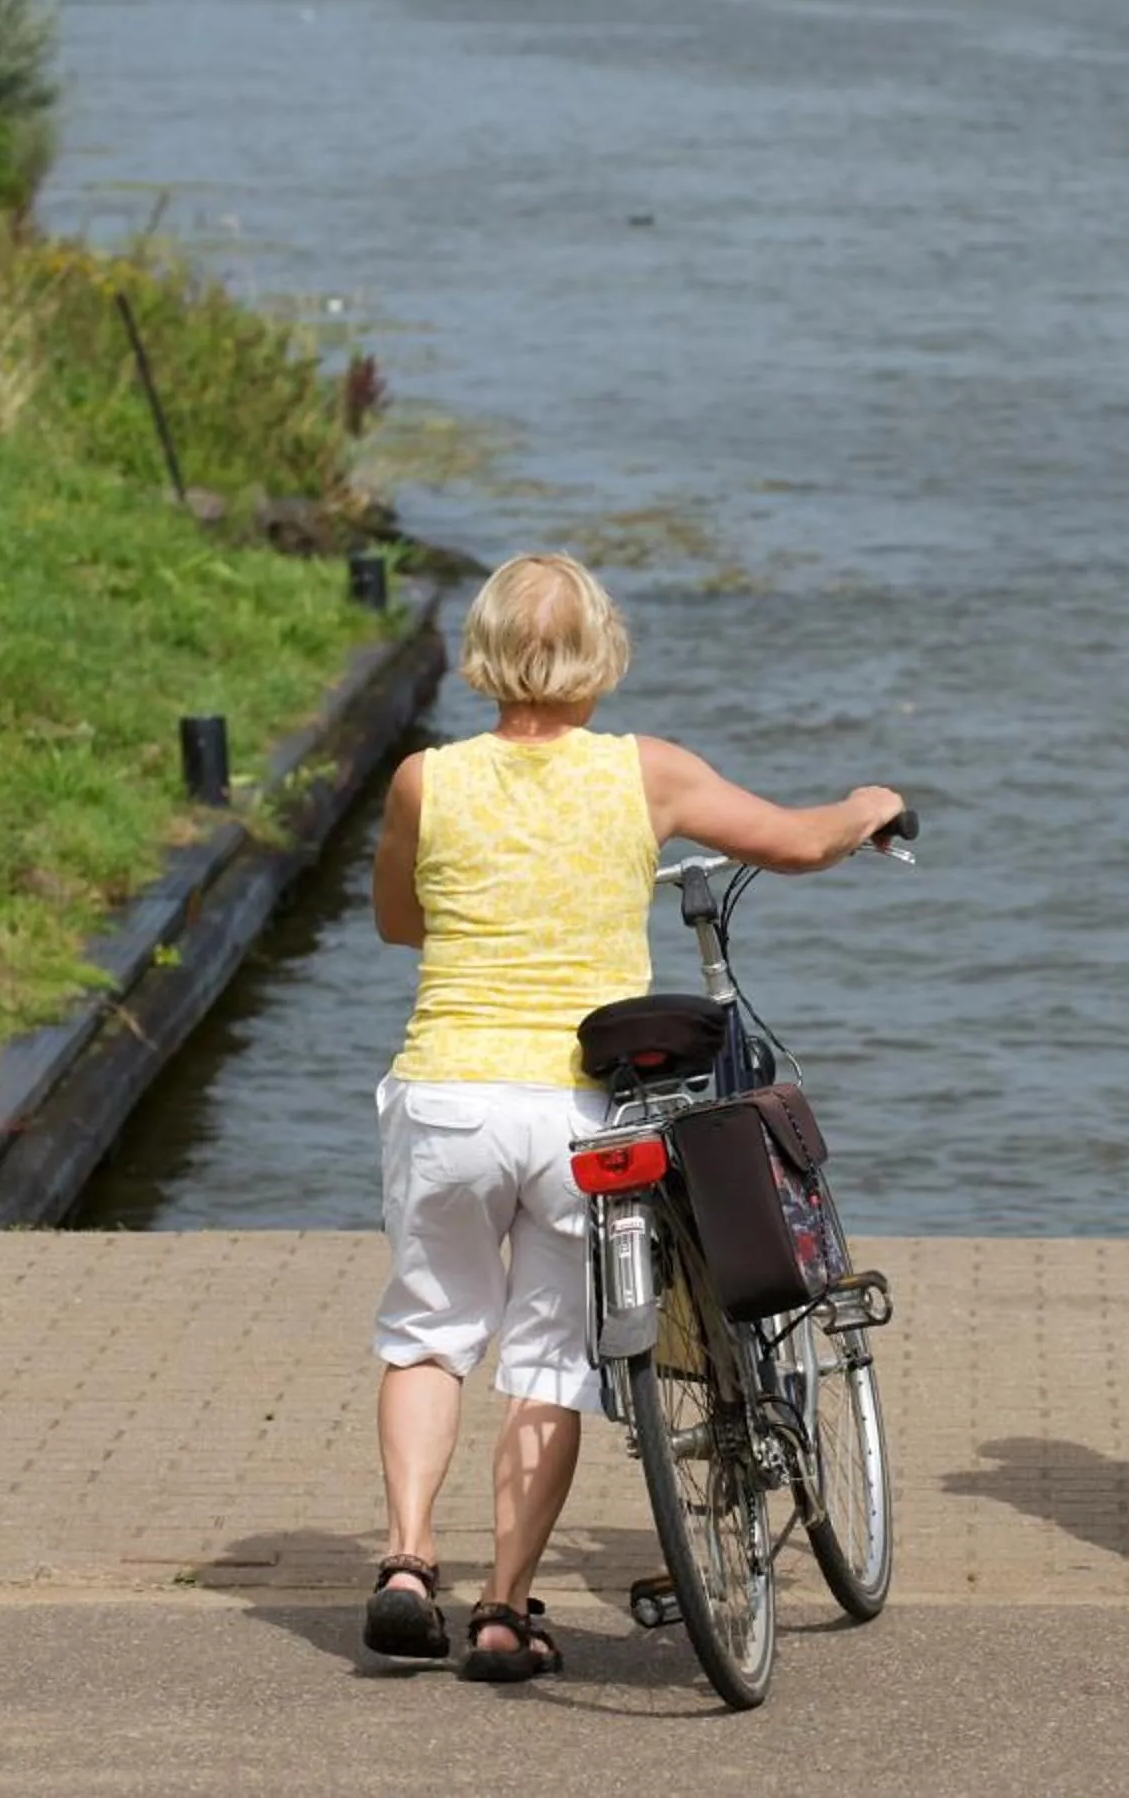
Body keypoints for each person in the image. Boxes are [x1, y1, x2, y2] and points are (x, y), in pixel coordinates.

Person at [364, 552, 906, 1680]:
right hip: (580, 1112)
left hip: (449, 1094)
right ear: (600, 655)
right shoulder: (644, 775)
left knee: (428, 1331)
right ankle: (506, 1608)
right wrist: (867, 806)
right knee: (551, 1356)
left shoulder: (425, 780)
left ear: (488, 653)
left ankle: (409, 1563)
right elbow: (799, 842)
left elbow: (397, 922)